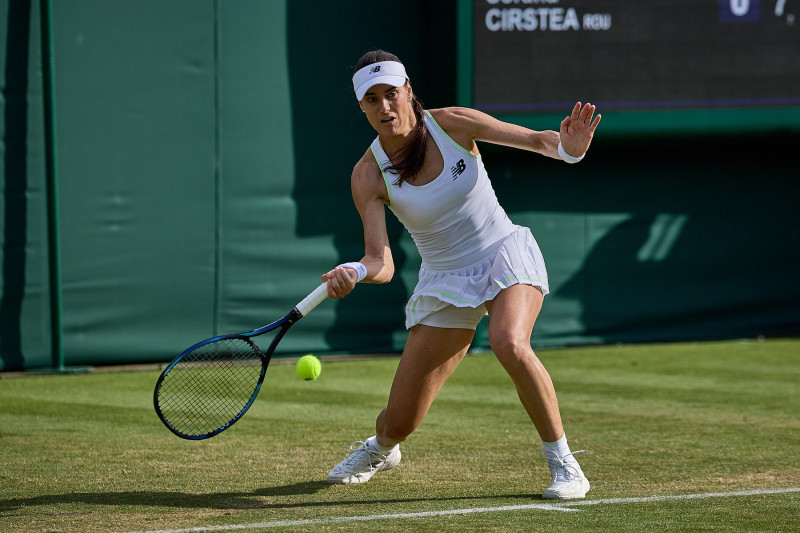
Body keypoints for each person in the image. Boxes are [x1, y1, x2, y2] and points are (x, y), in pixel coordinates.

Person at [320, 50, 600, 500]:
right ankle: (381, 448)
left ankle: (564, 462)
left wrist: (570, 149)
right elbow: (381, 263)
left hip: (502, 252)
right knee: (399, 421)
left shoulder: (452, 124)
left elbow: (538, 141)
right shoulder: (368, 174)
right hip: (445, 279)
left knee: (509, 342)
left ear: (408, 91)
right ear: (362, 108)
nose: (385, 107)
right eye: (372, 99)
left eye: (391, 94)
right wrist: (354, 271)